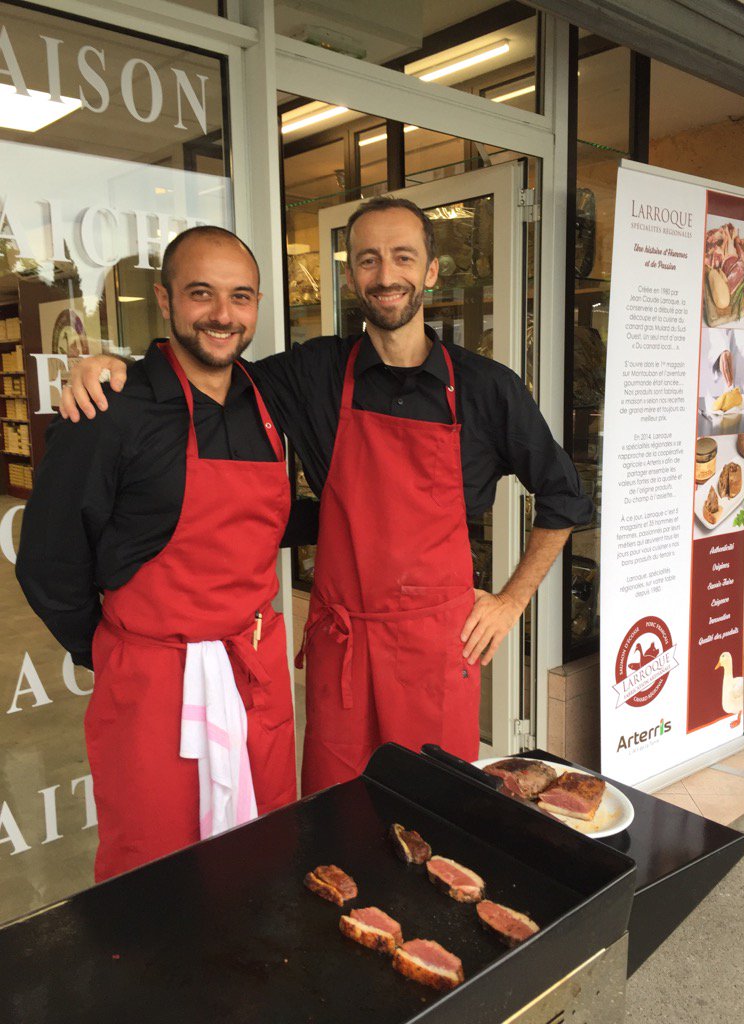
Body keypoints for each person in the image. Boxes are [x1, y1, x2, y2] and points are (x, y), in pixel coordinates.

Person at [60, 196, 593, 796]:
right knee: (336, 814)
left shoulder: (486, 388)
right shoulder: (312, 374)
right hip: (341, 650)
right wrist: (115, 366)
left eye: (402, 258)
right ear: (349, 277)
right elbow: (210, 359)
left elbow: (564, 498)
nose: (386, 276)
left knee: (438, 810)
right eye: (369, 260)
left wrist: (510, 602)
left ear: (432, 272)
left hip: (434, 654)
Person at [16, 226, 300, 881]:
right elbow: (48, 562)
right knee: (151, 869)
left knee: (264, 850)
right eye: (202, 294)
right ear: (165, 301)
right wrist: (117, 649)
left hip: (252, 670)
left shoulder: (272, 400)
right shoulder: (112, 409)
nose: (223, 315)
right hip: (151, 684)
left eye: (241, 296)